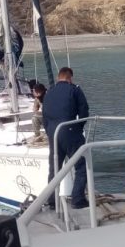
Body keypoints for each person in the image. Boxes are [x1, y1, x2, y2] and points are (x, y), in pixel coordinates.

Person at [42, 67, 90, 209]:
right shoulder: (75, 90)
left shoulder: (49, 92)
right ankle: (78, 199)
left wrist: (50, 132)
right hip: (70, 131)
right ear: (70, 78)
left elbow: (44, 116)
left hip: (53, 133)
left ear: (58, 77)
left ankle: (52, 201)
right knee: (81, 165)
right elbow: (84, 112)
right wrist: (78, 128)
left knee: (54, 169)